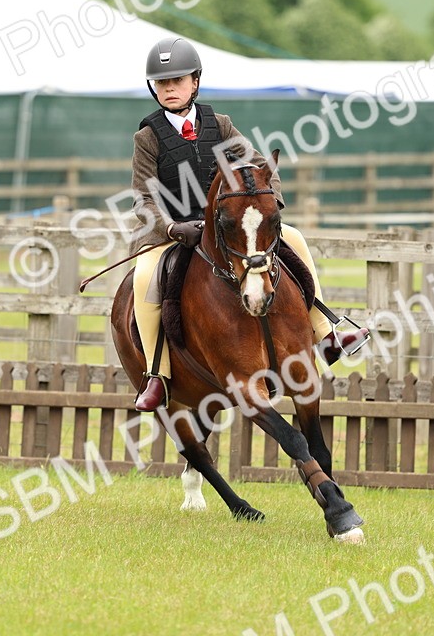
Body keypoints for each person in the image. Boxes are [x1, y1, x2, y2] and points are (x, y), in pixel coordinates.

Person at [130, 36, 369, 412]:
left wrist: (269, 210)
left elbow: (260, 169)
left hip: (228, 229)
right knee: (145, 277)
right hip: (174, 232)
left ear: (195, 82)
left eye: (178, 80)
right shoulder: (147, 138)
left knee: (296, 239)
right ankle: (156, 374)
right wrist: (174, 228)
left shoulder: (219, 125)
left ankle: (326, 334)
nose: (170, 88)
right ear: (153, 88)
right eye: (162, 83)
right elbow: (143, 198)